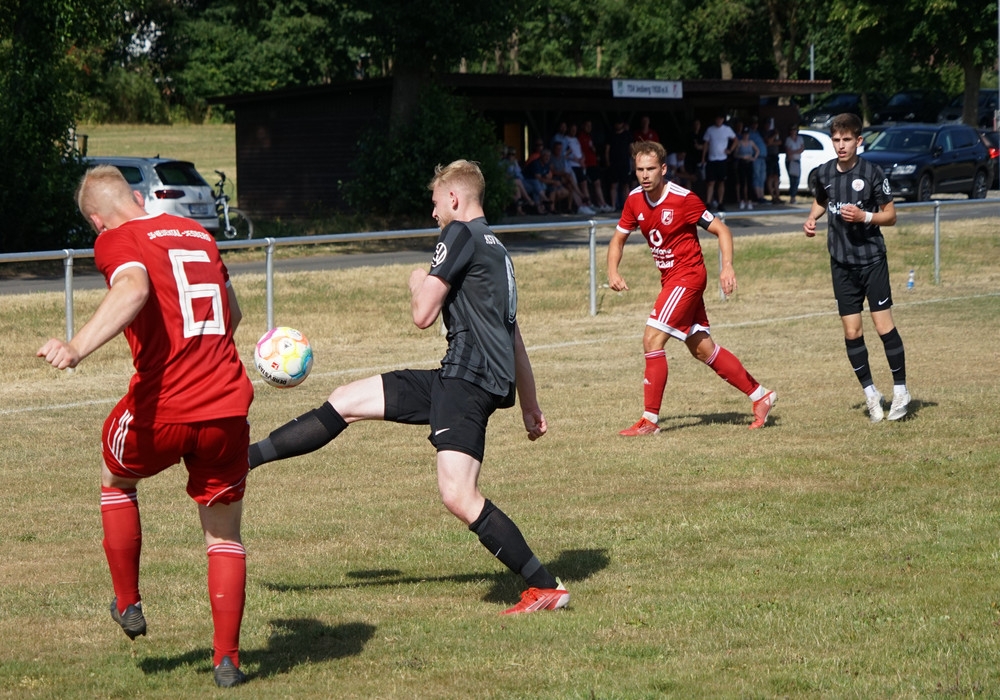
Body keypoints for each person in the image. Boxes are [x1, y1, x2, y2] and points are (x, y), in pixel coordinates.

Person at [247, 160, 570, 615]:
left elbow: (422, 315)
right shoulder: (498, 250)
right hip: (455, 378)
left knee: (458, 495)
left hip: (465, 383)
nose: (433, 213)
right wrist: (529, 405)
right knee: (346, 400)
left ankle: (544, 584)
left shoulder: (459, 233)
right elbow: (512, 335)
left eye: (436, 203)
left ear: (454, 198)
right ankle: (242, 461)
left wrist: (418, 279)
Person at [36, 165, 255, 688]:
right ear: (137, 196)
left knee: (115, 478)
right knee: (224, 534)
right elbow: (233, 312)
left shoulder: (116, 239)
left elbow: (133, 288)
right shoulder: (197, 232)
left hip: (165, 407)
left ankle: (128, 601)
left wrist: (76, 346)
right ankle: (227, 661)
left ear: (96, 221)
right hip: (227, 405)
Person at [607, 141, 776, 436]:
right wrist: (612, 271)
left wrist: (727, 266)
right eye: (639, 170)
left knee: (652, 339)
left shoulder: (683, 199)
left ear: (663, 169)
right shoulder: (634, 199)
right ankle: (760, 395)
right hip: (671, 279)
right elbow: (618, 239)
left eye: (650, 169)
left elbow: (722, 230)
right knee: (702, 348)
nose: (644, 175)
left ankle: (649, 421)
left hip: (688, 277)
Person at [803, 112, 910, 423]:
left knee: (882, 326)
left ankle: (901, 390)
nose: (841, 145)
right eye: (836, 140)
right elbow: (821, 200)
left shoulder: (872, 172)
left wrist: (865, 217)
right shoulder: (824, 172)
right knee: (852, 331)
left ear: (858, 141)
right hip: (841, 263)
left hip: (871, 260)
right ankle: (871, 393)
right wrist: (811, 218)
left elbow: (891, 216)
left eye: (847, 139)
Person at [701, 113, 737, 211]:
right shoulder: (710, 130)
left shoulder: (727, 129)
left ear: (723, 120)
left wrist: (730, 150)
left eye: (720, 119)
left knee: (721, 181)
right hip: (711, 159)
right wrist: (703, 157)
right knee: (710, 182)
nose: (719, 121)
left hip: (722, 159)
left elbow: (735, 140)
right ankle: (708, 202)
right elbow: (706, 144)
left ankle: (720, 202)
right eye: (717, 119)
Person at [578, 119, 612, 212]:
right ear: (583, 126)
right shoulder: (580, 137)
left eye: (590, 126)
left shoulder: (590, 137)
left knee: (597, 183)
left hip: (593, 163)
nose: (589, 128)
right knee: (586, 184)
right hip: (586, 164)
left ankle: (602, 204)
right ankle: (590, 204)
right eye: (587, 126)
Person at [605, 115, 635, 210]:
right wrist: (607, 161)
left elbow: (631, 149)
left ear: (622, 124)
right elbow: (607, 150)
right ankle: (613, 206)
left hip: (625, 163)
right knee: (613, 184)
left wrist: (634, 161)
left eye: (620, 123)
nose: (618, 125)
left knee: (626, 185)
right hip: (614, 163)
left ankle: (627, 206)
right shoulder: (611, 135)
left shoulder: (627, 135)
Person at [733, 128, 760, 210]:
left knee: (749, 183)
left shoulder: (751, 142)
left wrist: (754, 158)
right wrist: (742, 157)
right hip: (742, 163)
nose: (746, 136)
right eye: (744, 134)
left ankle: (750, 201)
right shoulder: (739, 143)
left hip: (749, 163)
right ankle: (742, 200)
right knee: (742, 182)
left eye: (747, 134)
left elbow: (757, 150)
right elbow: (735, 154)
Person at [748, 117, 768, 204]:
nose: (755, 125)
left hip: (763, 157)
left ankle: (762, 196)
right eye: (753, 123)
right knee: (756, 176)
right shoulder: (749, 133)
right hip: (756, 157)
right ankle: (758, 196)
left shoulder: (758, 133)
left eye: (756, 123)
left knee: (762, 177)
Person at [784, 124, 806, 204]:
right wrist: (797, 151)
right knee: (792, 179)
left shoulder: (800, 138)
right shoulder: (788, 139)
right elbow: (788, 151)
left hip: (797, 160)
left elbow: (802, 149)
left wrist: (794, 152)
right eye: (792, 130)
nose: (793, 131)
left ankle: (794, 196)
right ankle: (792, 197)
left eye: (795, 130)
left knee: (797, 179)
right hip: (790, 161)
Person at [765, 127, 783, 204]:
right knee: (770, 177)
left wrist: (772, 142)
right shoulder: (768, 134)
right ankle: (773, 197)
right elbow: (768, 142)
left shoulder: (777, 137)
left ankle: (777, 196)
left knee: (776, 177)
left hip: (775, 157)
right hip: (770, 157)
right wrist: (774, 135)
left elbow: (780, 142)